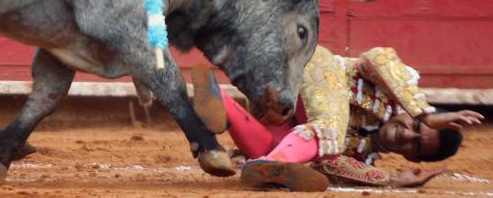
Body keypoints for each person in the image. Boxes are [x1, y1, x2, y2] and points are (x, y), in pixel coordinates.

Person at [192, 45, 484, 191]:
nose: (407, 134)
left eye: (416, 145)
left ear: (413, 159)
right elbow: (377, 56)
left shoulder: (362, 155)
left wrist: (391, 180)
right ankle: (274, 162)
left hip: (277, 110)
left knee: (280, 148)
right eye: (416, 126)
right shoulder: (388, 91)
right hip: (305, 67)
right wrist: (423, 111)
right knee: (328, 130)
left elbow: (326, 163)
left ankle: (220, 101)